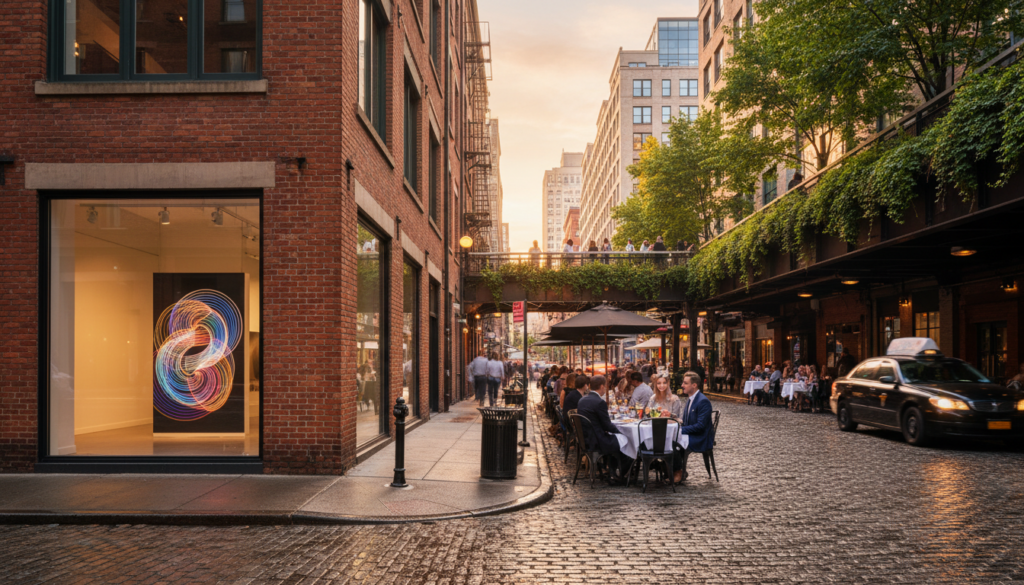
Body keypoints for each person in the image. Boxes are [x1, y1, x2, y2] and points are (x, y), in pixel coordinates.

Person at [575, 375, 632, 484]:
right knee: (627, 441)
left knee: (618, 439)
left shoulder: (582, 400)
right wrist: (622, 432)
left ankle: (613, 471)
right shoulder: (599, 402)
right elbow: (607, 425)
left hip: (586, 438)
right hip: (598, 440)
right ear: (602, 386)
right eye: (605, 386)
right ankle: (620, 474)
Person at [678, 371, 714, 484]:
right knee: (669, 440)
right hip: (692, 434)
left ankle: (678, 473)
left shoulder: (703, 401)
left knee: (674, 443)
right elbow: (687, 421)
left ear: (694, 385)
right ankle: (674, 471)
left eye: (685, 383)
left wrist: (680, 430)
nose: (682, 385)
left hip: (700, 438)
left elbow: (700, 426)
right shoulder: (691, 399)